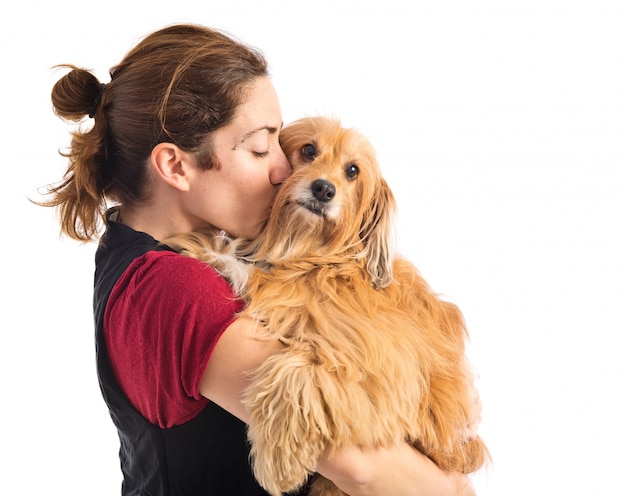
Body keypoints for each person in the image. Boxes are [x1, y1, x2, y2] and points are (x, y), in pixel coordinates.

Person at [39, 23, 477, 495]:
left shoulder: (128, 252)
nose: (282, 171)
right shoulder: (177, 287)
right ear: (175, 166)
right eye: (260, 147)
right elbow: (363, 467)